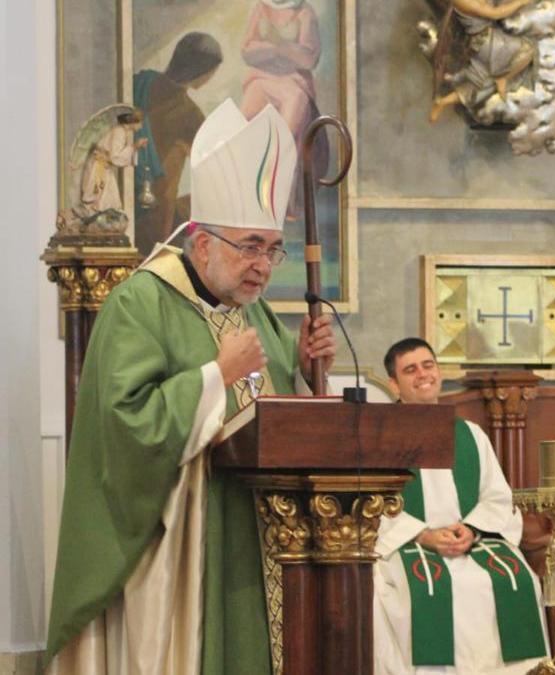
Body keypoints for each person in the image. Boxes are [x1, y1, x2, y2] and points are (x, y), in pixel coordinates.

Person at [44, 99, 337, 675]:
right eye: (250, 245)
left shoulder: (257, 315)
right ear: (202, 243)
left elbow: (279, 413)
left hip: (258, 535)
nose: (263, 265)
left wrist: (300, 365)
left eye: (272, 249)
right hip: (180, 547)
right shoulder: (140, 302)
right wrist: (215, 377)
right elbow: (124, 426)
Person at [374, 338, 549, 675]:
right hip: (409, 544)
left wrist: (471, 529)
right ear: (394, 384)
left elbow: (497, 496)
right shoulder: (383, 437)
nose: (422, 374)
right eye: (410, 370)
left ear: (439, 372)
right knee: (428, 588)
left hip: (472, 541)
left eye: (428, 365)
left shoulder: (470, 434)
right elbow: (375, 505)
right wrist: (424, 535)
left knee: (517, 578)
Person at [133, 31, 224, 255]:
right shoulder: (189, 114)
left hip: (127, 205)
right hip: (156, 218)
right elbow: (217, 171)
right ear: (201, 70)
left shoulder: (140, 83)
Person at [241, 0, 326, 219]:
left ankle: (280, 202)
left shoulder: (305, 12)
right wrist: (280, 50)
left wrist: (276, 49)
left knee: (285, 138)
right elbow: (247, 50)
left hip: (293, 82)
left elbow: (308, 58)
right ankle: (248, 198)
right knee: (246, 128)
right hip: (261, 78)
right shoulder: (261, 7)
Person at [79, 111, 147, 217]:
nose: (141, 127)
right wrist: (134, 146)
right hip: (99, 168)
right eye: (140, 123)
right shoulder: (119, 131)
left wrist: (134, 147)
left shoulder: (122, 131)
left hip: (103, 167)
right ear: (133, 121)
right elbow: (115, 157)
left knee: (110, 202)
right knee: (105, 202)